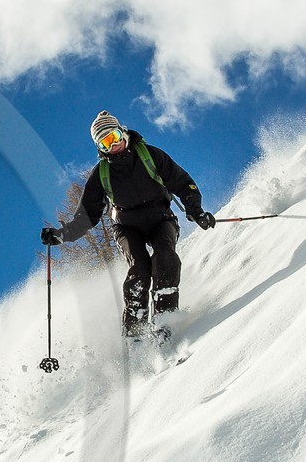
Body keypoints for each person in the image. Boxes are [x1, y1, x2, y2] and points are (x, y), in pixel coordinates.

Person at [42, 111, 215, 337]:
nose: (113, 145)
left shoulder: (150, 155)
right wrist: (61, 234)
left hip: (160, 218)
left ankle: (165, 317)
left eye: (114, 136)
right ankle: (135, 330)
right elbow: (86, 217)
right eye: (106, 142)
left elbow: (182, 182)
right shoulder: (101, 175)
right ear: (100, 148)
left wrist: (196, 211)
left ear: (123, 132)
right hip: (126, 226)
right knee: (139, 269)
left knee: (165, 256)